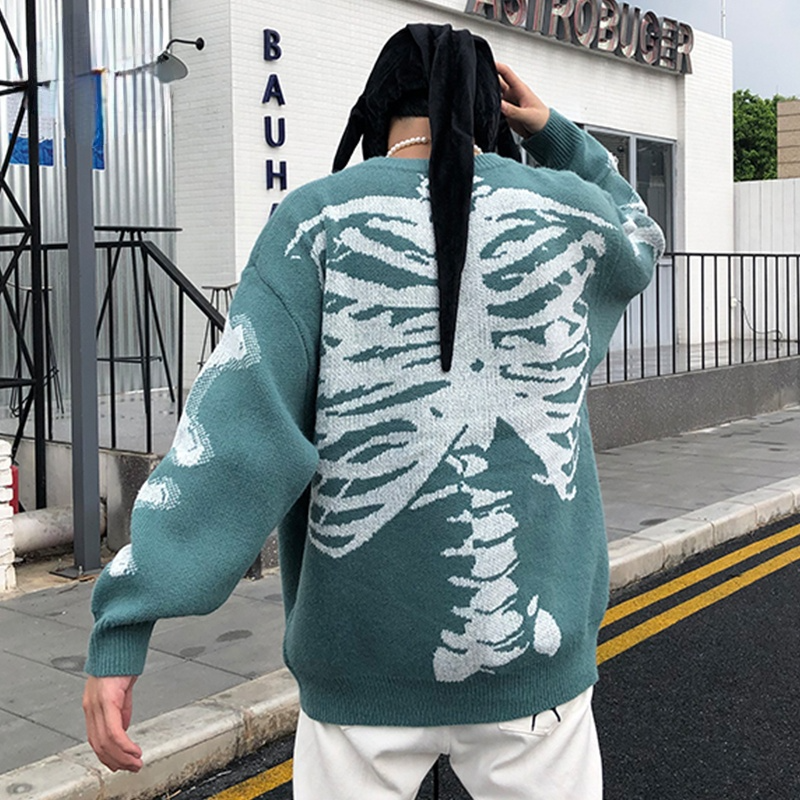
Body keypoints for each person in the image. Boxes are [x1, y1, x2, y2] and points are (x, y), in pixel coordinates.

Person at [83, 23, 664, 799]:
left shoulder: (315, 221)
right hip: (537, 672)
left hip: (359, 671)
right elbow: (639, 231)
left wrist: (127, 619)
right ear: (491, 111)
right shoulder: (569, 217)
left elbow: (235, 433)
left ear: (375, 108)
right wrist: (555, 134)